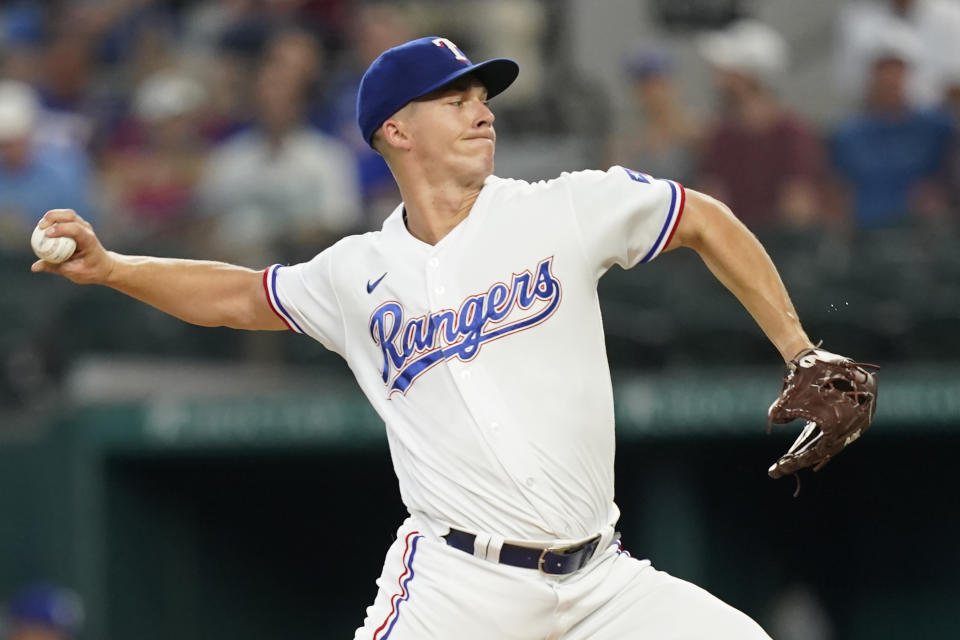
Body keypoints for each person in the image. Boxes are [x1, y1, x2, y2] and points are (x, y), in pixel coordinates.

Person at [33, 36, 822, 638]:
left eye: (484, 96)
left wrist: (801, 351)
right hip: (459, 585)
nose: (482, 109)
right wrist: (114, 267)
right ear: (397, 130)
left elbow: (702, 219)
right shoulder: (356, 273)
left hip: (604, 583)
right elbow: (241, 296)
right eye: (456, 99)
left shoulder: (560, 209)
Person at [696, 20, 825, 231]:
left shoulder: (793, 134)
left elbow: (799, 209)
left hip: (780, 254)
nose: (718, 83)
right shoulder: (722, 135)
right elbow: (711, 201)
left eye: (729, 74)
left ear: (753, 79)